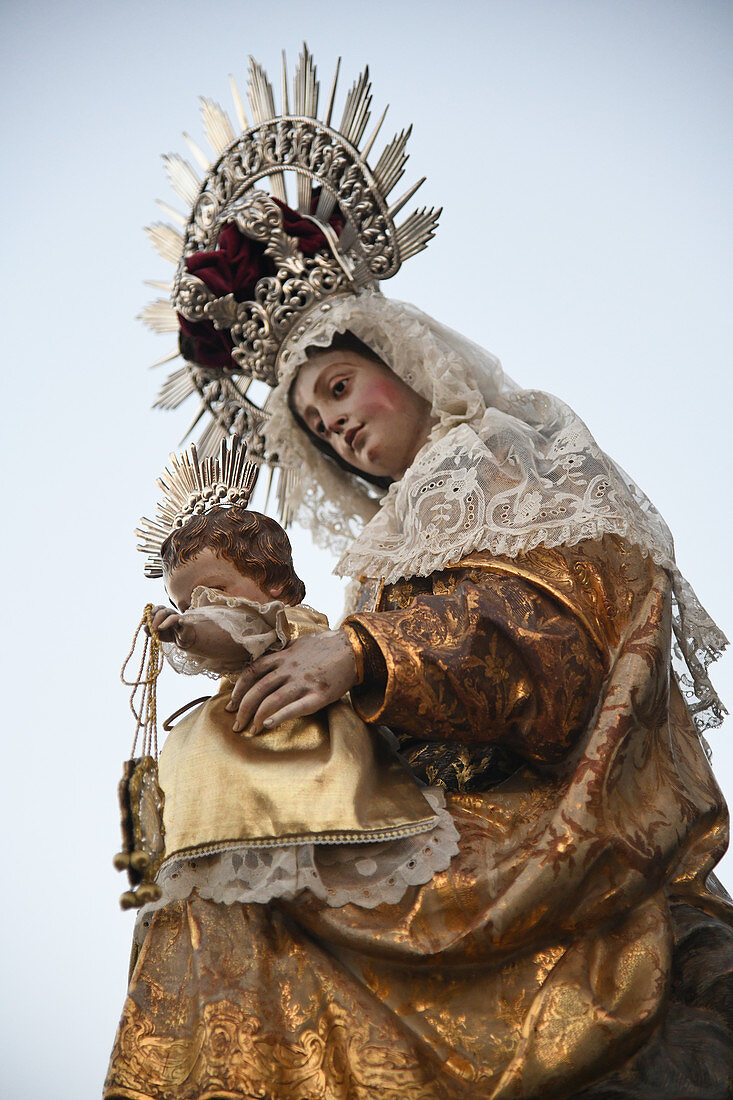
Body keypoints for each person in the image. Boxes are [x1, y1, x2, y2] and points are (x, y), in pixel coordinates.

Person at [106, 50, 732, 1099]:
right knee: (218, 843)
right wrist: (251, 645)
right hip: (432, 816)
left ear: (403, 360)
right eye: (314, 423)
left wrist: (356, 654)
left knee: (234, 884)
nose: (338, 423)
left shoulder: (502, 456)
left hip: (544, 827)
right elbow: (359, 682)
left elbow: (554, 632)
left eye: (342, 387)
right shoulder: (394, 544)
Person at [129, 460, 457, 935]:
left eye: (213, 590)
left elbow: (231, 631)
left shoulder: (282, 630)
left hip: (302, 755)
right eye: (184, 602)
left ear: (276, 585)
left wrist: (187, 630)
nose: (199, 606)